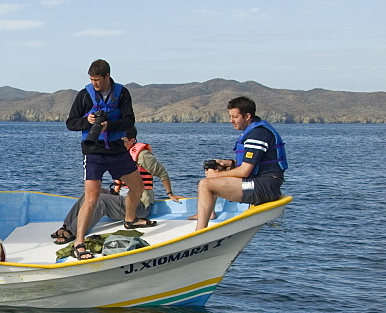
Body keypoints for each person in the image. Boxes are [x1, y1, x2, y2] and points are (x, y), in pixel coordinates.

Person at [64, 59, 148, 260]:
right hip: (94, 152)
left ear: (107, 77)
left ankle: (130, 219)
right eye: (91, 80)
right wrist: (88, 121)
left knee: (138, 188)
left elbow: (129, 121)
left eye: (98, 80)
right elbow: (71, 123)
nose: (95, 84)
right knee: (92, 197)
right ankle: (79, 242)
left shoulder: (122, 93)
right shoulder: (84, 95)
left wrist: (108, 125)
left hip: (117, 150)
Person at [51, 127, 181, 245]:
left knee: (101, 200)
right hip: (123, 198)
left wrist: (170, 194)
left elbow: (162, 173)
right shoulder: (121, 155)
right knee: (92, 194)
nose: (119, 144)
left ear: (132, 140)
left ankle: (73, 232)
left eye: (122, 140)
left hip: (140, 206)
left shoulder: (143, 155)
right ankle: (66, 226)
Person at [194, 96, 287, 230]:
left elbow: (245, 171)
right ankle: (209, 213)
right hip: (263, 182)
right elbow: (253, 163)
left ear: (247, 116)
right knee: (218, 176)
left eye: (235, 117)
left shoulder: (258, 135)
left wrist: (215, 175)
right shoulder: (255, 132)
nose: (231, 121)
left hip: (265, 187)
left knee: (205, 185)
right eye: (230, 116)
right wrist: (226, 163)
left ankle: (199, 232)